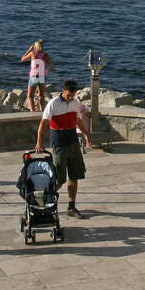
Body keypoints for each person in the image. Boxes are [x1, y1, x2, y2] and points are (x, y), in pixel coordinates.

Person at [35, 79, 92, 219]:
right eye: (69, 95)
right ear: (63, 91)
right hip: (59, 144)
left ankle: (71, 207)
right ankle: (46, 200)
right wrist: (39, 142)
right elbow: (43, 124)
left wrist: (86, 135)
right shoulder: (53, 104)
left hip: (73, 142)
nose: (71, 97)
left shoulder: (75, 103)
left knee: (74, 176)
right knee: (59, 179)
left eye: (73, 95)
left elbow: (78, 120)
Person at [21, 40, 54, 113]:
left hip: (34, 76)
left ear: (35, 46)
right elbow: (52, 66)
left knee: (30, 96)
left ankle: (32, 111)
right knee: (41, 95)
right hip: (42, 76)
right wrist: (47, 71)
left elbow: (22, 59)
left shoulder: (32, 53)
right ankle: (42, 111)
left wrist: (29, 50)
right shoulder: (45, 55)